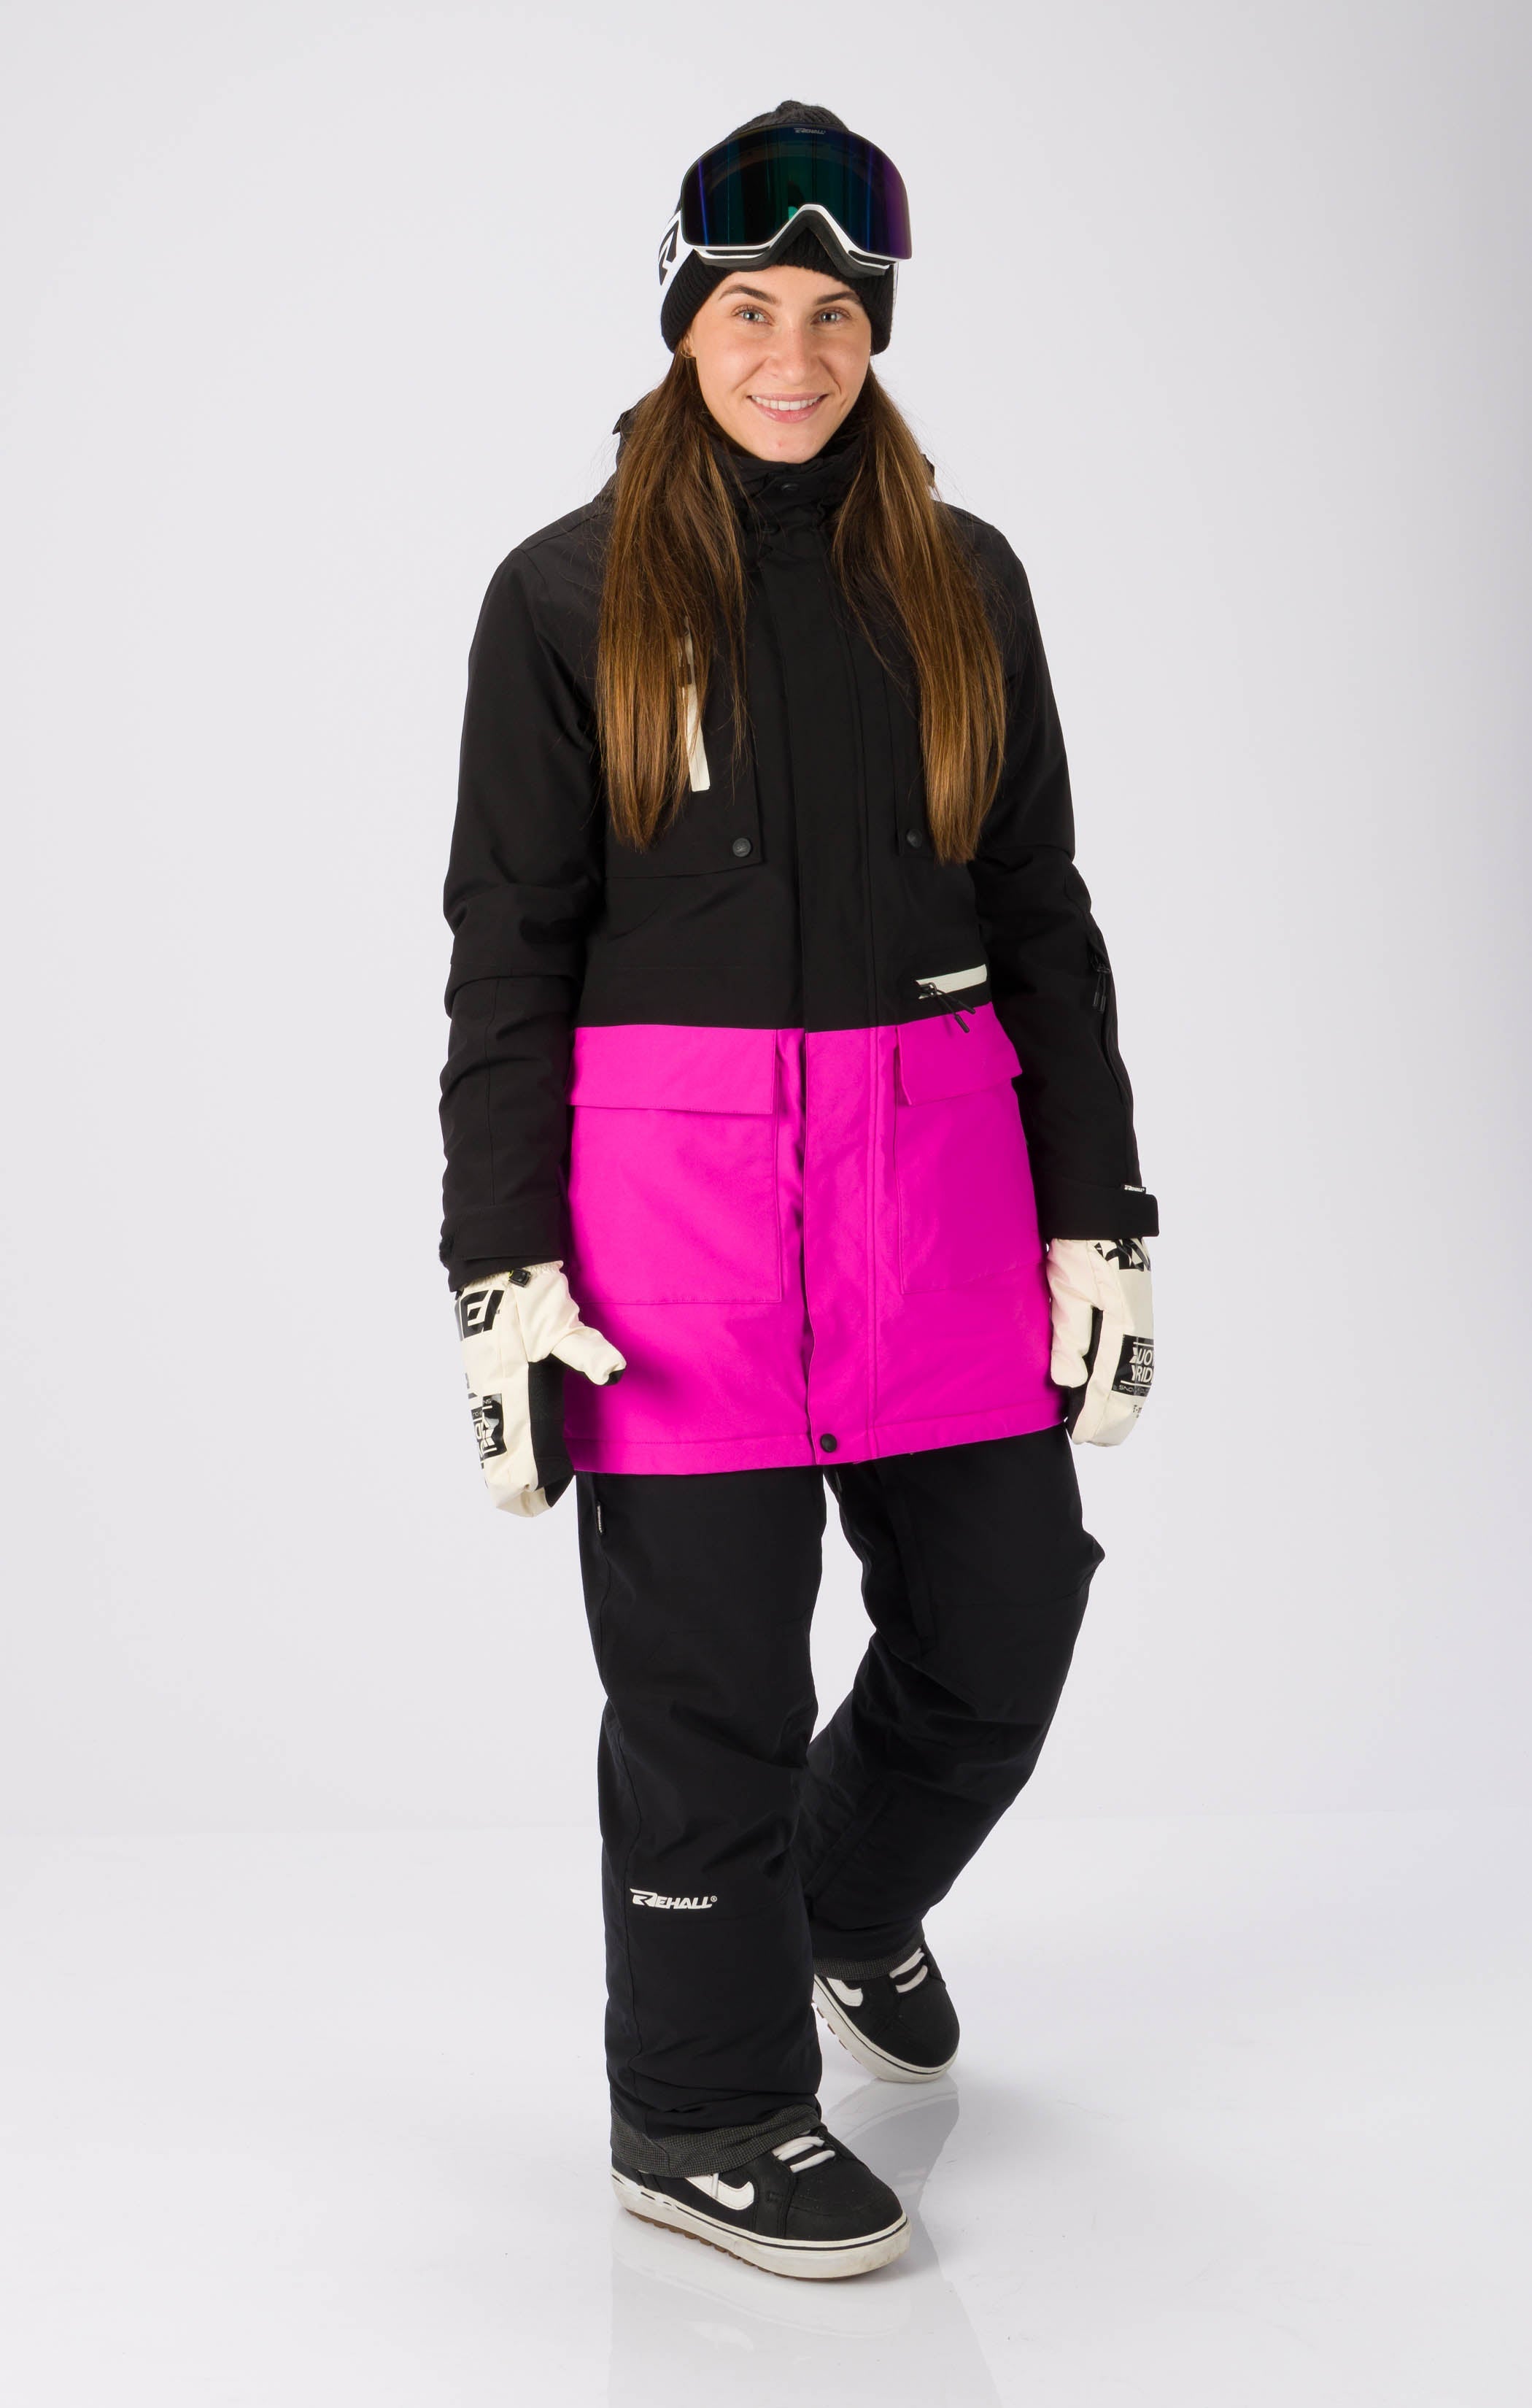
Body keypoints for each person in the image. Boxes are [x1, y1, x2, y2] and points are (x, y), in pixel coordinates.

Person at [438, 102, 1157, 2282]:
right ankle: (704, 2109)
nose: (792, 353)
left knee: (1006, 1619)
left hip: (937, 1199)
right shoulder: (562, 594)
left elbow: (1039, 913)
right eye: (749, 308)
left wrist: (1103, 1212)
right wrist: (496, 1266)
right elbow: (508, 948)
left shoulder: (964, 580)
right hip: (670, 1239)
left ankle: (844, 1899)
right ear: (685, 324)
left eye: (835, 315)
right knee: (705, 1694)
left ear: (877, 334)